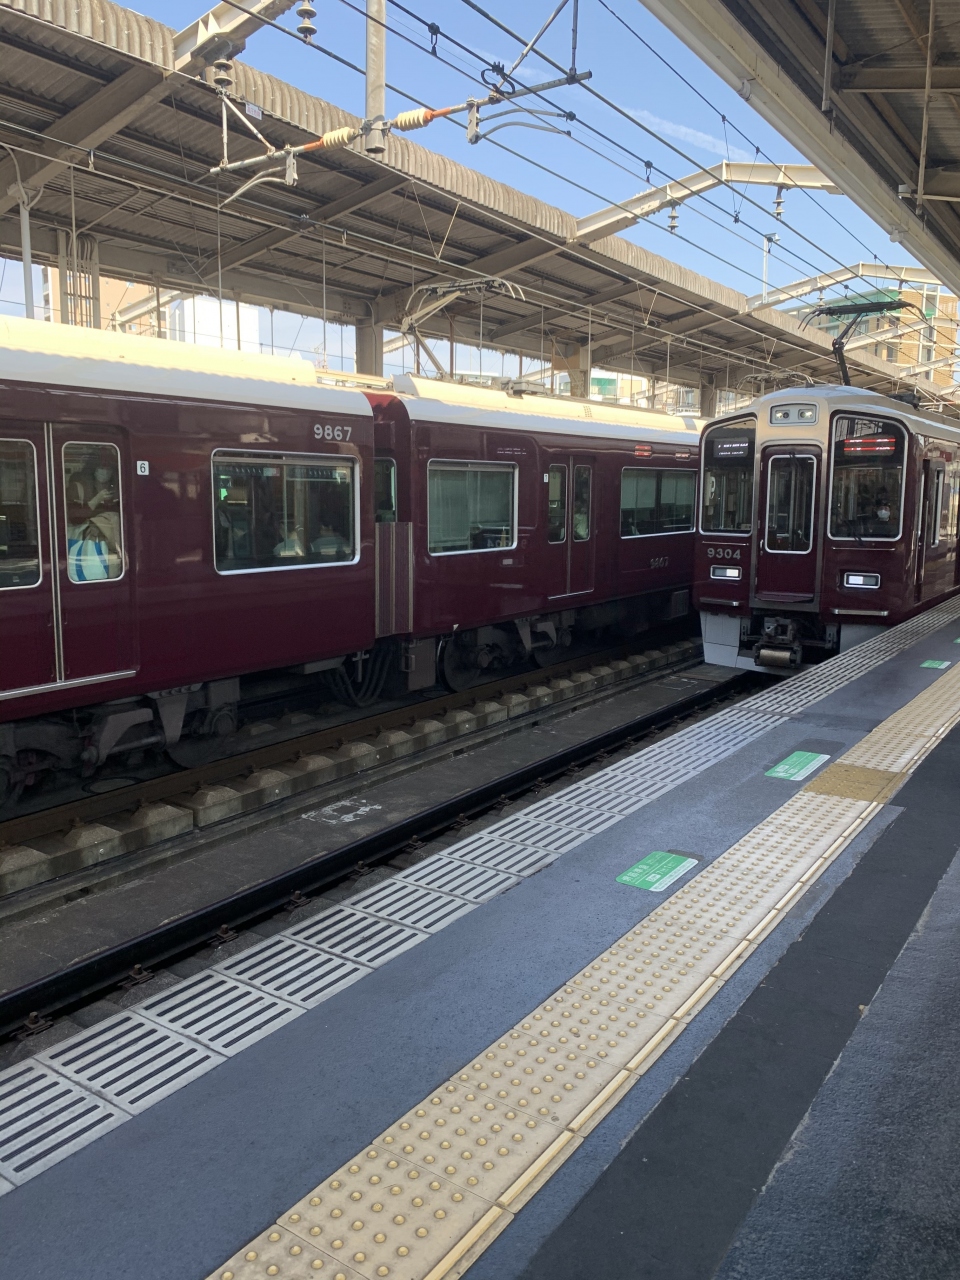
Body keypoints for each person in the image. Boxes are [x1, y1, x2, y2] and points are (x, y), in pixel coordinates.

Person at [64, 448, 122, 580]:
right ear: (93, 468)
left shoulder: (117, 488)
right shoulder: (78, 487)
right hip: (86, 540)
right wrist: (96, 500)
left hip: (113, 545)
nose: (105, 471)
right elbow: (74, 518)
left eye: (108, 468)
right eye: (101, 467)